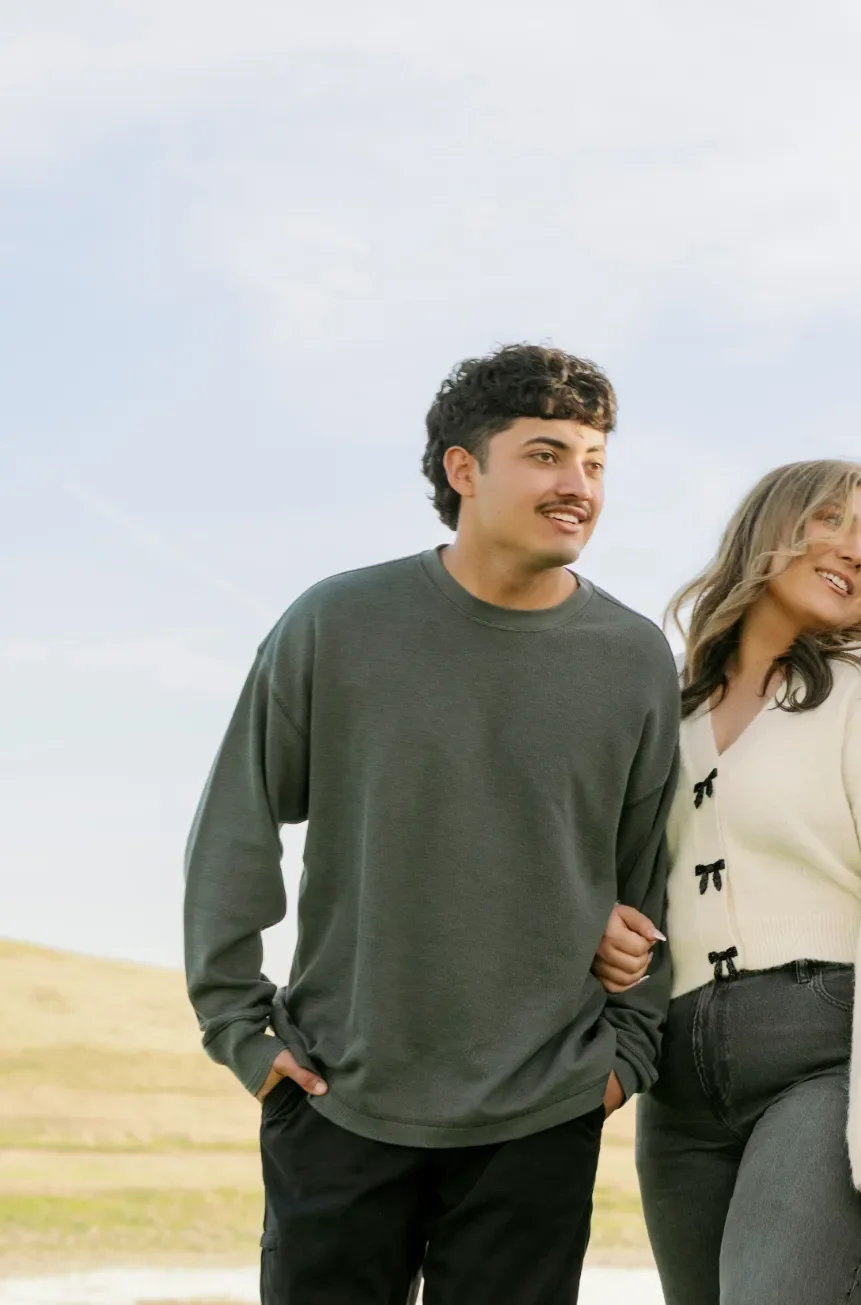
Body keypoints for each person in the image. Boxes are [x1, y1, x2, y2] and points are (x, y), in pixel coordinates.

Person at [183, 344, 678, 1304]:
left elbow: (648, 875)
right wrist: (238, 1026)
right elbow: (235, 824)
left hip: (543, 1108)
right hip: (338, 1096)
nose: (577, 483)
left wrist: (627, 1054)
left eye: (594, 461)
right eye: (545, 455)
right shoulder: (337, 623)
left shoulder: (633, 658)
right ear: (464, 469)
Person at [599, 460, 861, 1305]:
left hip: (841, 1055)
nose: (857, 551)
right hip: (684, 1085)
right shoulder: (671, 703)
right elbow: (622, 874)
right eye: (832, 521)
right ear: (768, 527)